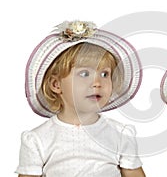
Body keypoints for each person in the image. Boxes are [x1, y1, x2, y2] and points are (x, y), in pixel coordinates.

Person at [16, 20, 145, 177]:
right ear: (56, 85)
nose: (97, 83)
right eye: (84, 74)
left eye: (105, 74)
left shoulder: (119, 134)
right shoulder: (38, 139)